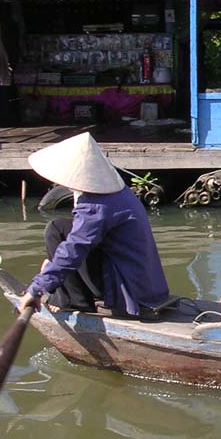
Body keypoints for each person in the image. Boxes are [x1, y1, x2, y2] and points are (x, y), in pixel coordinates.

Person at [18, 133, 170, 318]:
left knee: (56, 232)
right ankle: (68, 295)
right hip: (147, 283)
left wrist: (38, 288)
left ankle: (75, 302)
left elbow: (74, 248)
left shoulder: (96, 205)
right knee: (60, 228)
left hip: (129, 292)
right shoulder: (120, 192)